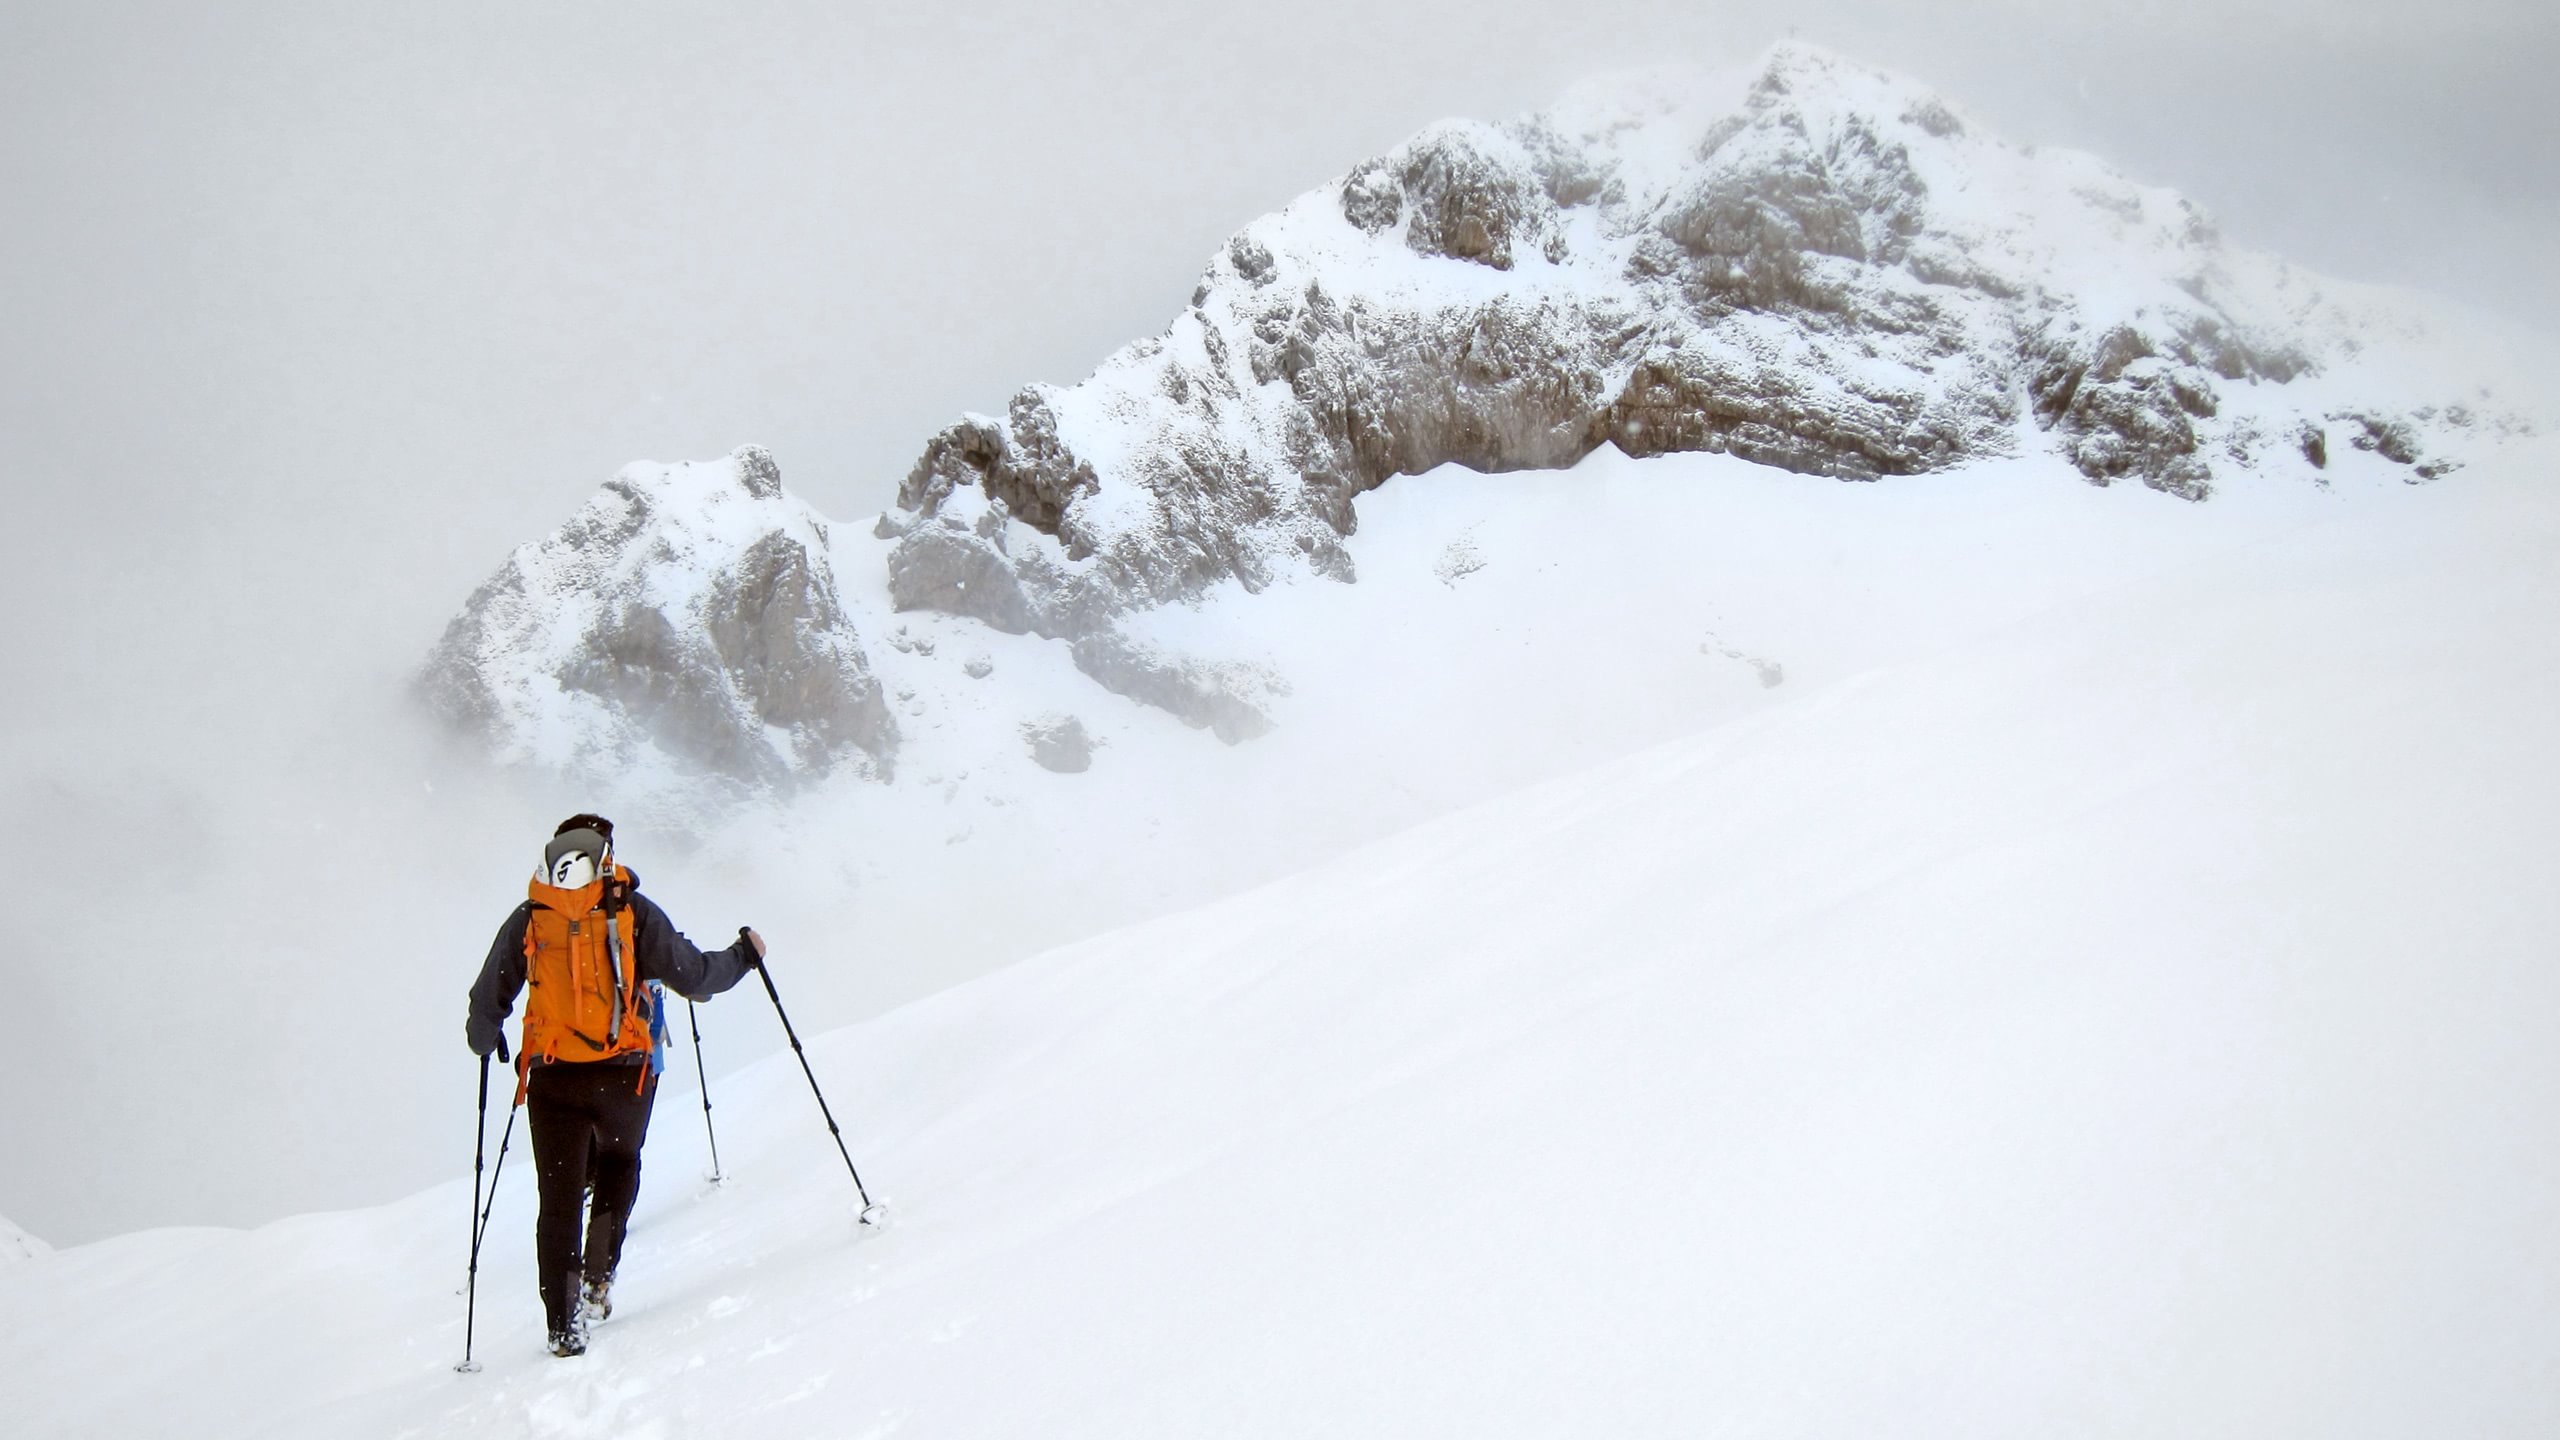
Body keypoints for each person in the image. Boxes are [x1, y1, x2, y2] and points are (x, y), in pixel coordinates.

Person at [465, 813, 764, 1357]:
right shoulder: (631, 911)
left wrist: (488, 1039)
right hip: (624, 1075)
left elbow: (486, 1006)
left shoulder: (531, 916)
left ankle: (563, 1327)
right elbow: (694, 976)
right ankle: (599, 1275)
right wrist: (744, 954)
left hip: (553, 1078)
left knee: (556, 1201)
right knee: (620, 1161)